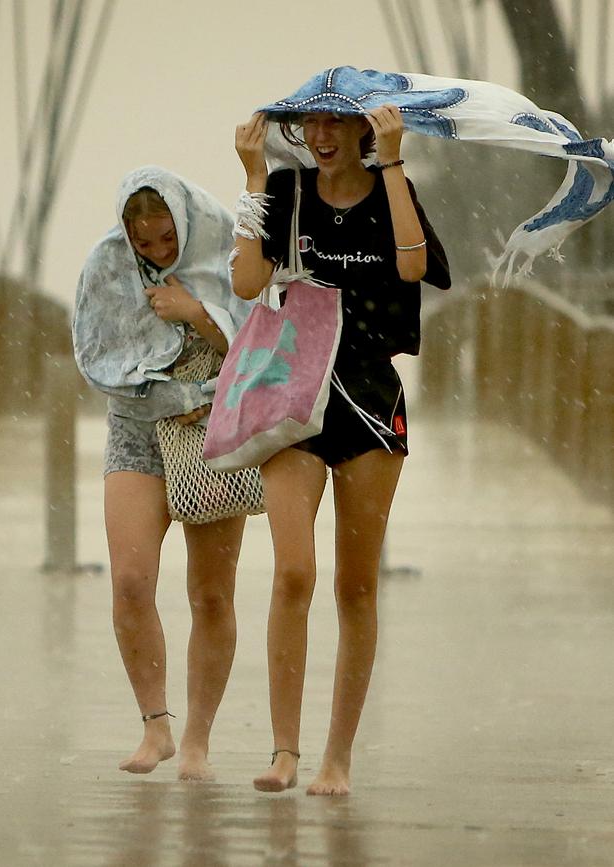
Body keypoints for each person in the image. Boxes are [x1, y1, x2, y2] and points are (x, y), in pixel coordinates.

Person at [231, 103, 451, 795]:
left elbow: (415, 267)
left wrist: (392, 164)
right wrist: (253, 175)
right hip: (294, 395)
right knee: (293, 571)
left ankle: (337, 759)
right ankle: (284, 752)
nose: (321, 137)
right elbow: (243, 283)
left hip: (368, 400)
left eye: (336, 123)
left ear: (364, 129)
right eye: (310, 124)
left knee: (356, 586)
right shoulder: (287, 192)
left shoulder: (394, 188)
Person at [73, 166, 254, 779]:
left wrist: (198, 314)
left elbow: (264, 343)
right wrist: (175, 395)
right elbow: (97, 356)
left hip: (214, 428)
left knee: (210, 592)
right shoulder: (106, 265)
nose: (154, 254)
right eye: (142, 243)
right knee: (129, 579)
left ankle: (199, 739)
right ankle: (156, 728)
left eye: (166, 241)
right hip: (138, 425)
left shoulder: (230, 247)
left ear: (185, 222)